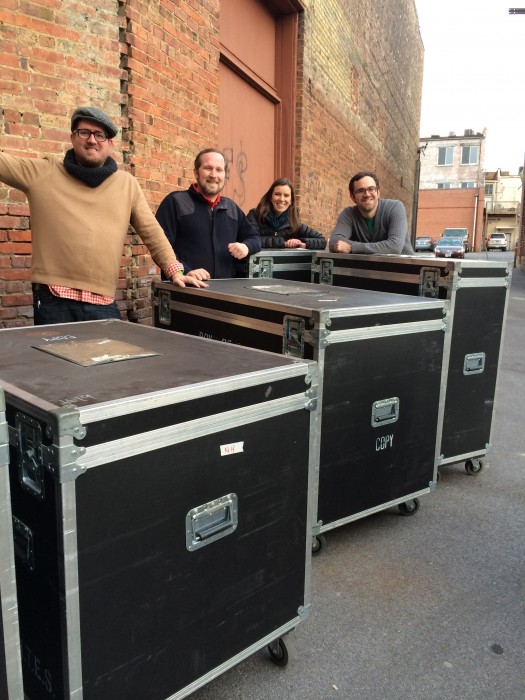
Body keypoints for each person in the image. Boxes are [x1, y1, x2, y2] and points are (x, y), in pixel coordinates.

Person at [0, 106, 206, 325]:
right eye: (84, 132)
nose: (91, 140)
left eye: (100, 135)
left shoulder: (126, 184)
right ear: (72, 137)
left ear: (110, 143)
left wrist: (174, 270)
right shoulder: (42, 172)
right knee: (56, 360)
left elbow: (152, 231)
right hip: (53, 301)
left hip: (104, 303)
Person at [155, 148, 261, 281]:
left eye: (219, 170)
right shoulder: (175, 203)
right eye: (208, 168)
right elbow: (160, 246)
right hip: (185, 292)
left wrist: (246, 246)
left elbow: (255, 237)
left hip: (225, 294)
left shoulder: (231, 208)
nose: (213, 175)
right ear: (196, 173)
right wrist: (186, 271)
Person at [329, 171, 414, 255]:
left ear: (378, 192)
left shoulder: (394, 208)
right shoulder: (348, 214)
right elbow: (335, 242)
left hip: (401, 267)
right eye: (360, 191)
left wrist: (352, 248)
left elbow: (395, 247)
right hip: (368, 268)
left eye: (371, 189)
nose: (367, 194)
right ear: (352, 197)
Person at [247, 177, 326, 250]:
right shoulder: (255, 215)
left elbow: (322, 241)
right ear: (270, 197)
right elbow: (250, 238)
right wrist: (283, 243)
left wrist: (302, 242)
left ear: (291, 200)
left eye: (286, 195)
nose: (282, 199)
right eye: (277, 194)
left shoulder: (293, 223)